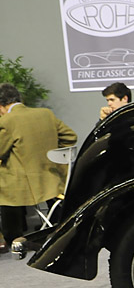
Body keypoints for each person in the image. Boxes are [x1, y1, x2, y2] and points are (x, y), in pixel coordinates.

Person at [0, 83, 78, 244]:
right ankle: (56, 224)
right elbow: (71, 137)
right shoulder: (46, 114)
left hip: (24, 187)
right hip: (51, 179)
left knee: (4, 183)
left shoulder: (7, 120)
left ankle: (13, 236)